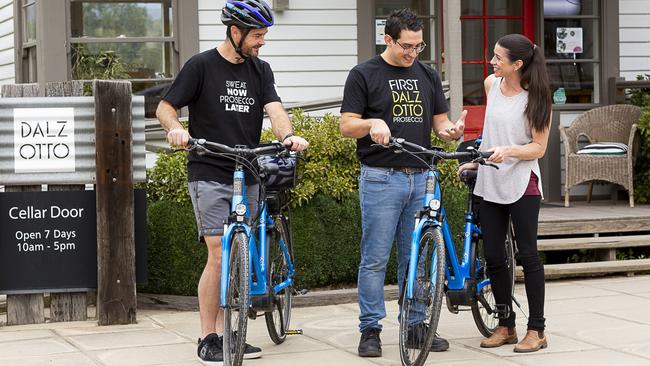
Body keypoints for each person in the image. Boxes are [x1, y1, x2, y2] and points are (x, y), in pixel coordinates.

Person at [156, 1, 308, 364]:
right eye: (257, 36)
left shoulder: (260, 70)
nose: (262, 43)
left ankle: (234, 331)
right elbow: (165, 106)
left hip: (250, 170)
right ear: (235, 32)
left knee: (243, 245)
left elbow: (275, 109)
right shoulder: (201, 66)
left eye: (264, 35)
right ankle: (210, 336)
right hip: (209, 170)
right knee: (218, 251)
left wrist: (287, 136)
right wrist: (176, 129)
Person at [340, 8, 465, 358]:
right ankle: (371, 329)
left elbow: (440, 123)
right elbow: (347, 125)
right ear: (389, 39)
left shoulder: (426, 73)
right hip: (381, 178)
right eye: (406, 46)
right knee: (375, 258)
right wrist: (370, 124)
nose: (412, 53)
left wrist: (450, 132)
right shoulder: (364, 73)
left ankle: (415, 324)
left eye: (418, 46)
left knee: (418, 259)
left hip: (422, 177)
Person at [458, 33, 552, 353]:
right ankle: (505, 324)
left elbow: (538, 147)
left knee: (527, 255)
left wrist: (508, 151)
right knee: (495, 257)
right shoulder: (490, 85)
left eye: (498, 58)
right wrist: (475, 161)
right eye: (493, 55)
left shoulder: (537, 98)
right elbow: (491, 133)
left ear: (517, 65)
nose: (492, 61)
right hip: (490, 180)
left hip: (523, 182)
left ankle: (536, 330)